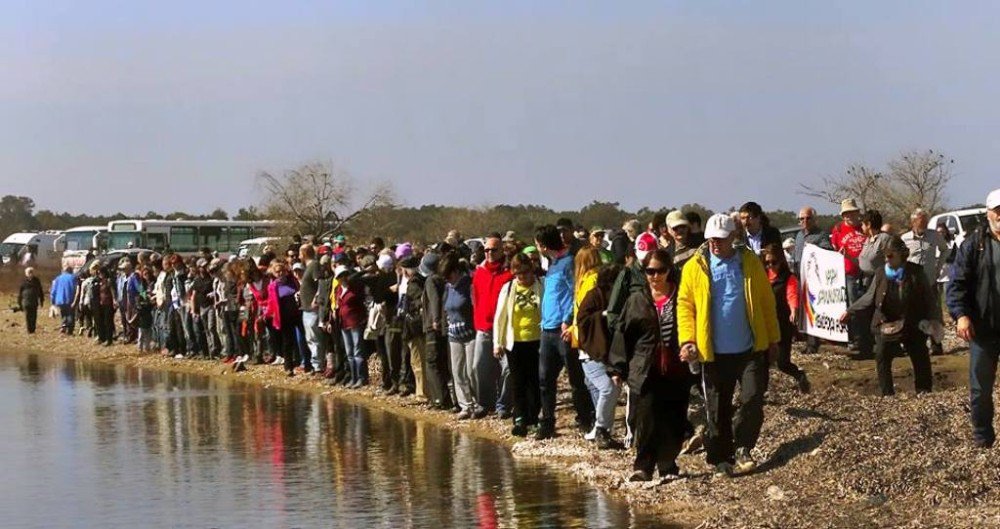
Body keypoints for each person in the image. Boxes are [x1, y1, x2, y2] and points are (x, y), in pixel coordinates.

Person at [677, 213, 780, 477]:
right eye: (711, 239)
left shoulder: (749, 263)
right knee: (718, 408)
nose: (715, 244)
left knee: (753, 398)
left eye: (721, 240)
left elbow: (766, 301)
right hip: (713, 353)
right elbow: (685, 306)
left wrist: (773, 339)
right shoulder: (694, 267)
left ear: (733, 237)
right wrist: (688, 340)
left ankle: (743, 447)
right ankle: (720, 456)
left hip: (749, 348)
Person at [609, 248, 690, 481]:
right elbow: (622, 334)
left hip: (676, 367)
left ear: (669, 271)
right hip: (644, 367)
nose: (655, 276)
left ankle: (667, 464)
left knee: (674, 416)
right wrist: (617, 367)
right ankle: (643, 466)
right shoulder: (636, 300)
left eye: (660, 271)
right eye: (650, 271)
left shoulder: (680, 296)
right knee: (645, 418)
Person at [842, 236, 936, 396]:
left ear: (902, 254)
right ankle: (887, 394)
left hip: (912, 321)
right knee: (882, 355)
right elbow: (869, 297)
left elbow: (929, 299)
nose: (887, 259)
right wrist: (850, 310)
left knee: (920, 355)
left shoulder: (916, 272)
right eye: (885, 256)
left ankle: (924, 391)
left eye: (890, 255)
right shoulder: (880, 273)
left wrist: (933, 323)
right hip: (886, 321)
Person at [947, 188, 1000, 448]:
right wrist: (961, 315)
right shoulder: (974, 244)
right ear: (988, 213)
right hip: (983, 328)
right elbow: (956, 283)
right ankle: (982, 436)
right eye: (997, 211)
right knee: (980, 389)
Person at [535, 224, 594, 439]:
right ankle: (548, 422)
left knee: (575, 379)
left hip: (563, 330)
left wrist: (568, 320)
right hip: (546, 329)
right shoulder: (552, 264)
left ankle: (585, 419)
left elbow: (575, 292)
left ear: (542, 244)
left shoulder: (569, 262)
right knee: (545, 379)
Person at [572, 247, 620, 446]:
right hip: (591, 349)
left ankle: (601, 430)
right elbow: (582, 316)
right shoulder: (594, 288)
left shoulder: (587, 282)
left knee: (604, 389)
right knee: (606, 389)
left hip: (599, 349)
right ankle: (600, 429)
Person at [493, 253, 544, 436]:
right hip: (514, 342)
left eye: (524, 273)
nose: (522, 277)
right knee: (518, 381)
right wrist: (497, 343)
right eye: (518, 274)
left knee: (535, 380)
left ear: (531, 270)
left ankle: (534, 416)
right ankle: (520, 418)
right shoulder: (508, 288)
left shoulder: (541, 285)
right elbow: (500, 317)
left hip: (536, 340)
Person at [471, 234, 513, 415]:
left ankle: (503, 404)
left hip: (504, 329)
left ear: (502, 250)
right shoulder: (479, 272)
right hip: (483, 327)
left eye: (493, 249)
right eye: (486, 249)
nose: (489, 253)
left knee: (508, 369)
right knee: (479, 367)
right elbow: (475, 297)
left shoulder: (509, 273)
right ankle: (484, 403)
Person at [761, 244, 810, 393]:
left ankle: (799, 375)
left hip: (782, 325)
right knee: (762, 362)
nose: (771, 266)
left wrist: (793, 310)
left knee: (782, 363)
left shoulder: (789, 278)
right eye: (767, 263)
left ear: (781, 261)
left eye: (774, 262)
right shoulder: (762, 277)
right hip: (765, 325)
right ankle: (760, 393)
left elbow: (792, 295)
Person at [902, 208, 950, 355]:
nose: (924, 225)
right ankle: (915, 345)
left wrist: (938, 267)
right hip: (913, 285)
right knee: (913, 314)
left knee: (934, 314)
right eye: (921, 222)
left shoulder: (934, 235)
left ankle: (936, 345)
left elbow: (945, 250)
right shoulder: (905, 239)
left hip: (930, 281)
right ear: (913, 222)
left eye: (926, 222)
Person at [442, 253, 483, 419]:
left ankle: (477, 403)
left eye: (449, 275)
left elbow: (474, 306)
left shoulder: (469, 285)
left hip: (470, 334)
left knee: (472, 370)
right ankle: (465, 405)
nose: (448, 279)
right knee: (457, 371)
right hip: (454, 335)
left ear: (456, 271)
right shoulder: (448, 287)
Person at [831, 198, 871, 358]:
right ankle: (855, 339)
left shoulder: (864, 227)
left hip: (866, 272)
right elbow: (834, 247)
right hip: (849, 273)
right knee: (852, 306)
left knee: (868, 305)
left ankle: (868, 338)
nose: (849, 216)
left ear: (857, 213)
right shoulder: (839, 229)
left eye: (851, 213)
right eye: (846, 214)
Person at [420, 251, 453, 409]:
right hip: (442, 327)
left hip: (433, 327)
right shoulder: (442, 280)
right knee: (440, 362)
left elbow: (434, 300)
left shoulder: (430, 281)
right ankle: (443, 397)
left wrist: (434, 320)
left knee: (432, 363)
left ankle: (439, 399)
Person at [335, 264, 368, 387]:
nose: (343, 278)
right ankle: (353, 378)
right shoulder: (338, 289)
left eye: (344, 275)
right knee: (349, 353)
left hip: (355, 322)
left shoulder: (355, 288)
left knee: (358, 351)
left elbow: (362, 303)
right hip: (344, 324)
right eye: (340, 276)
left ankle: (361, 378)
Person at [51, 265, 77, 334]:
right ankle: (69, 330)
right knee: (70, 314)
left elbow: (53, 290)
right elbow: (76, 289)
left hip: (60, 299)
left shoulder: (58, 278)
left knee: (63, 314)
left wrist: (53, 301)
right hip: (70, 299)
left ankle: (64, 326)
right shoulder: (73, 278)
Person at [18, 267, 43, 334]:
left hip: (34, 301)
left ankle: (33, 329)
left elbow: (40, 291)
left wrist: (41, 300)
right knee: (28, 316)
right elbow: (20, 293)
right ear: (26, 274)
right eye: (29, 272)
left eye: (31, 272)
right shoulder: (23, 282)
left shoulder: (36, 281)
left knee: (34, 316)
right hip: (26, 302)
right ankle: (29, 330)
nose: (30, 274)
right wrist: (19, 303)